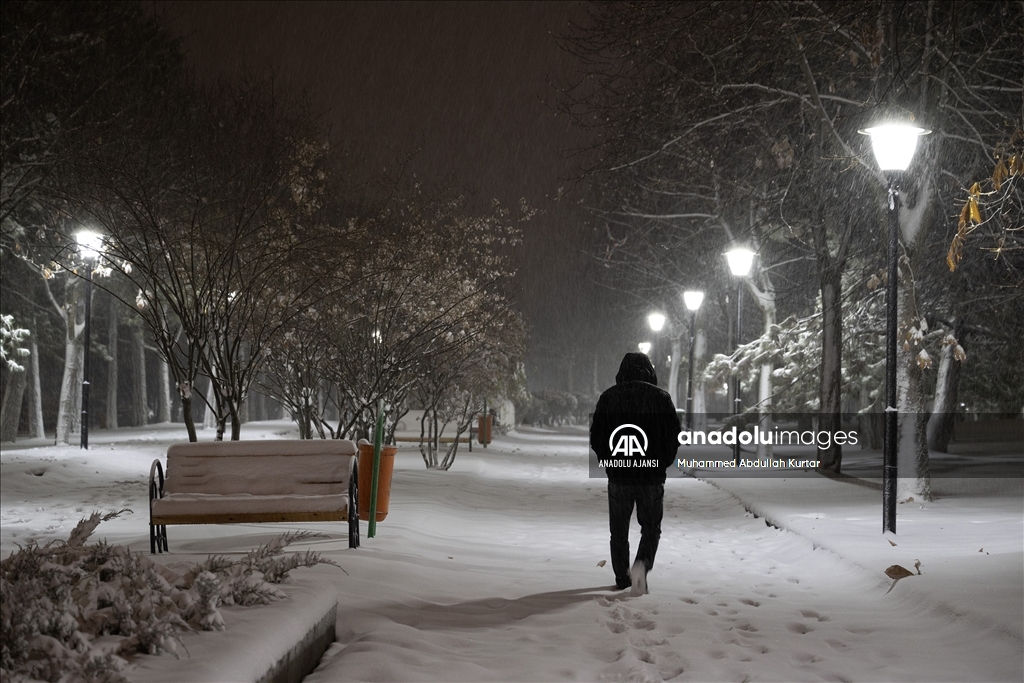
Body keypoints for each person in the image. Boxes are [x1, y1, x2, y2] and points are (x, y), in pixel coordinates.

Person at [590, 352, 681, 595]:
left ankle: (622, 576)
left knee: (618, 529)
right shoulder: (661, 399)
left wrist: (609, 462)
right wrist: (662, 463)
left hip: (619, 475)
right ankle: (641, 565)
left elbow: (597, 437)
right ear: (649, 371)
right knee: (651, 527)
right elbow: (673, 436)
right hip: (651, 476)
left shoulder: (609, 397)